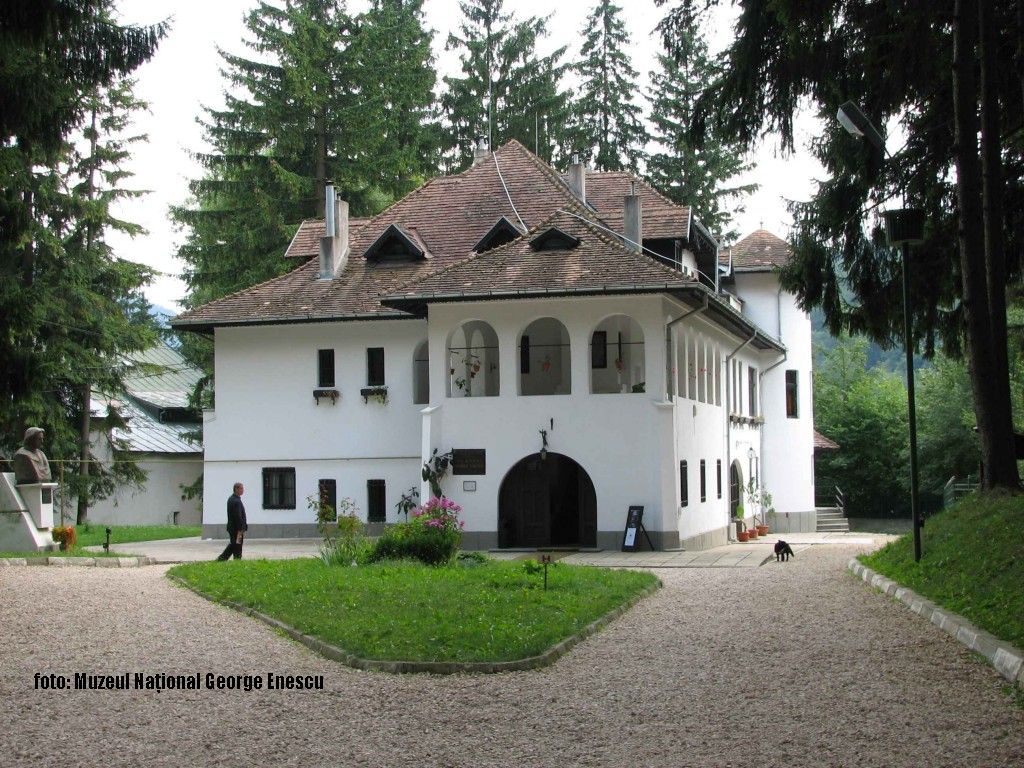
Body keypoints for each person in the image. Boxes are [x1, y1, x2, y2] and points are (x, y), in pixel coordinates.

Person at [216, 482, 247, 560]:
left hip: (233, 528)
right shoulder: (236, 501)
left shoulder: (232, 499)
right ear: (236, 489)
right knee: (237, 545)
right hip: (236, 529)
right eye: (241, 488)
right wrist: (240, 529)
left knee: (234, 544)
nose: (243, 490)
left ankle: (222, 558)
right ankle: (233, 559)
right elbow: (238, 516)